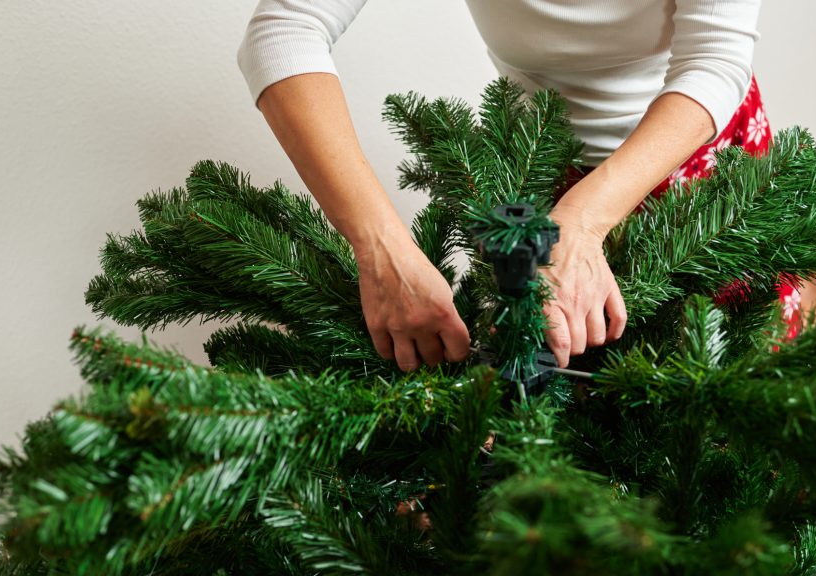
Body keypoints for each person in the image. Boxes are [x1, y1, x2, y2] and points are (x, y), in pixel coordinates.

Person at [237, 0, 775, 373]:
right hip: (534, 169)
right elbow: (283, 32)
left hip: (699, 162)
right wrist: (381, 249)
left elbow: (714, 60)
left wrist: (585, 220)